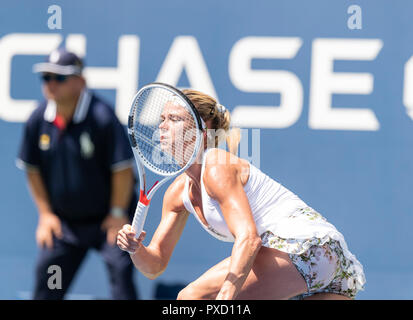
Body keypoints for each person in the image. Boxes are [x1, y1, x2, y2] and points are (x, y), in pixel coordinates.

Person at [117, 89, 366, 300]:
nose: (162, 125)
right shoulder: (177, 194)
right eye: (162, 118)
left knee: (190, 298)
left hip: (304, 248)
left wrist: (227, 295)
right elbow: (155, 264)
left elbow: (248, 238)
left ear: (203, 130)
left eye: (174, 118)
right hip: (332, 263)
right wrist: (136, 249)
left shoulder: (216, 165)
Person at [16, 48, 139, 300]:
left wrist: (117, 214)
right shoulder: (38, 119)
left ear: (80, 81)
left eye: (59, 78)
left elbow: (122, 170)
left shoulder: (101, 118)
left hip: (109, 219)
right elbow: (32, 169)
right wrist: (46, 215)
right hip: (66, 224)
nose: (51, 84)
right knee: (49, 279)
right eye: (46, 77)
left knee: (120, 273)